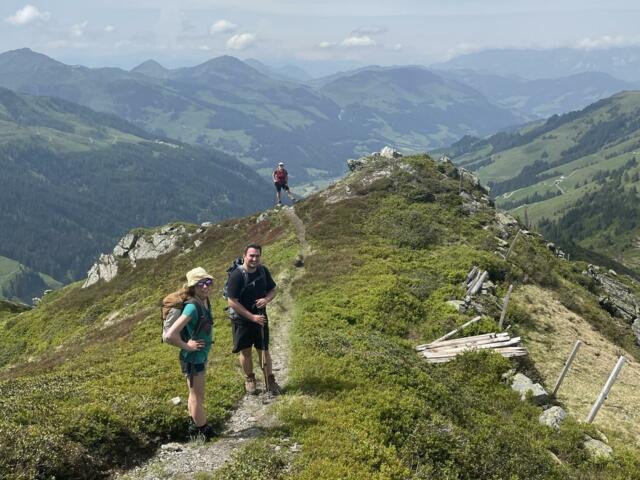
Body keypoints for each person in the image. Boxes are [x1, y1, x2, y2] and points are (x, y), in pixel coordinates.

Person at [165, 267, 215, 439]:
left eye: (208, 282)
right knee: (196, 397)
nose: (205, 287)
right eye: (201, 284)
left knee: (196, 395)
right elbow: (170, 336)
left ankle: (194, 426)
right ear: (193, 286)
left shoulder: (204, 301)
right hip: (193, 359)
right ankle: (203, 430)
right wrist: (188, 346)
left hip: (198, 357)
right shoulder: (192, 307)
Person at [226, 244, 281, 395]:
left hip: (261, 318)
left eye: (257, 255)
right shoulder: (237, 275)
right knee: (246, 352)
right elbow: (231, 301)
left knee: (264, 350)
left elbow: (273, 290)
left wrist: (266, 299)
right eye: (251, 255)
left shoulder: (263, 271)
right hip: (242, 320)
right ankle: (250, 379)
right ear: (244, 255)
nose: (254, 259)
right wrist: (252, 317)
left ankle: (270, 380)